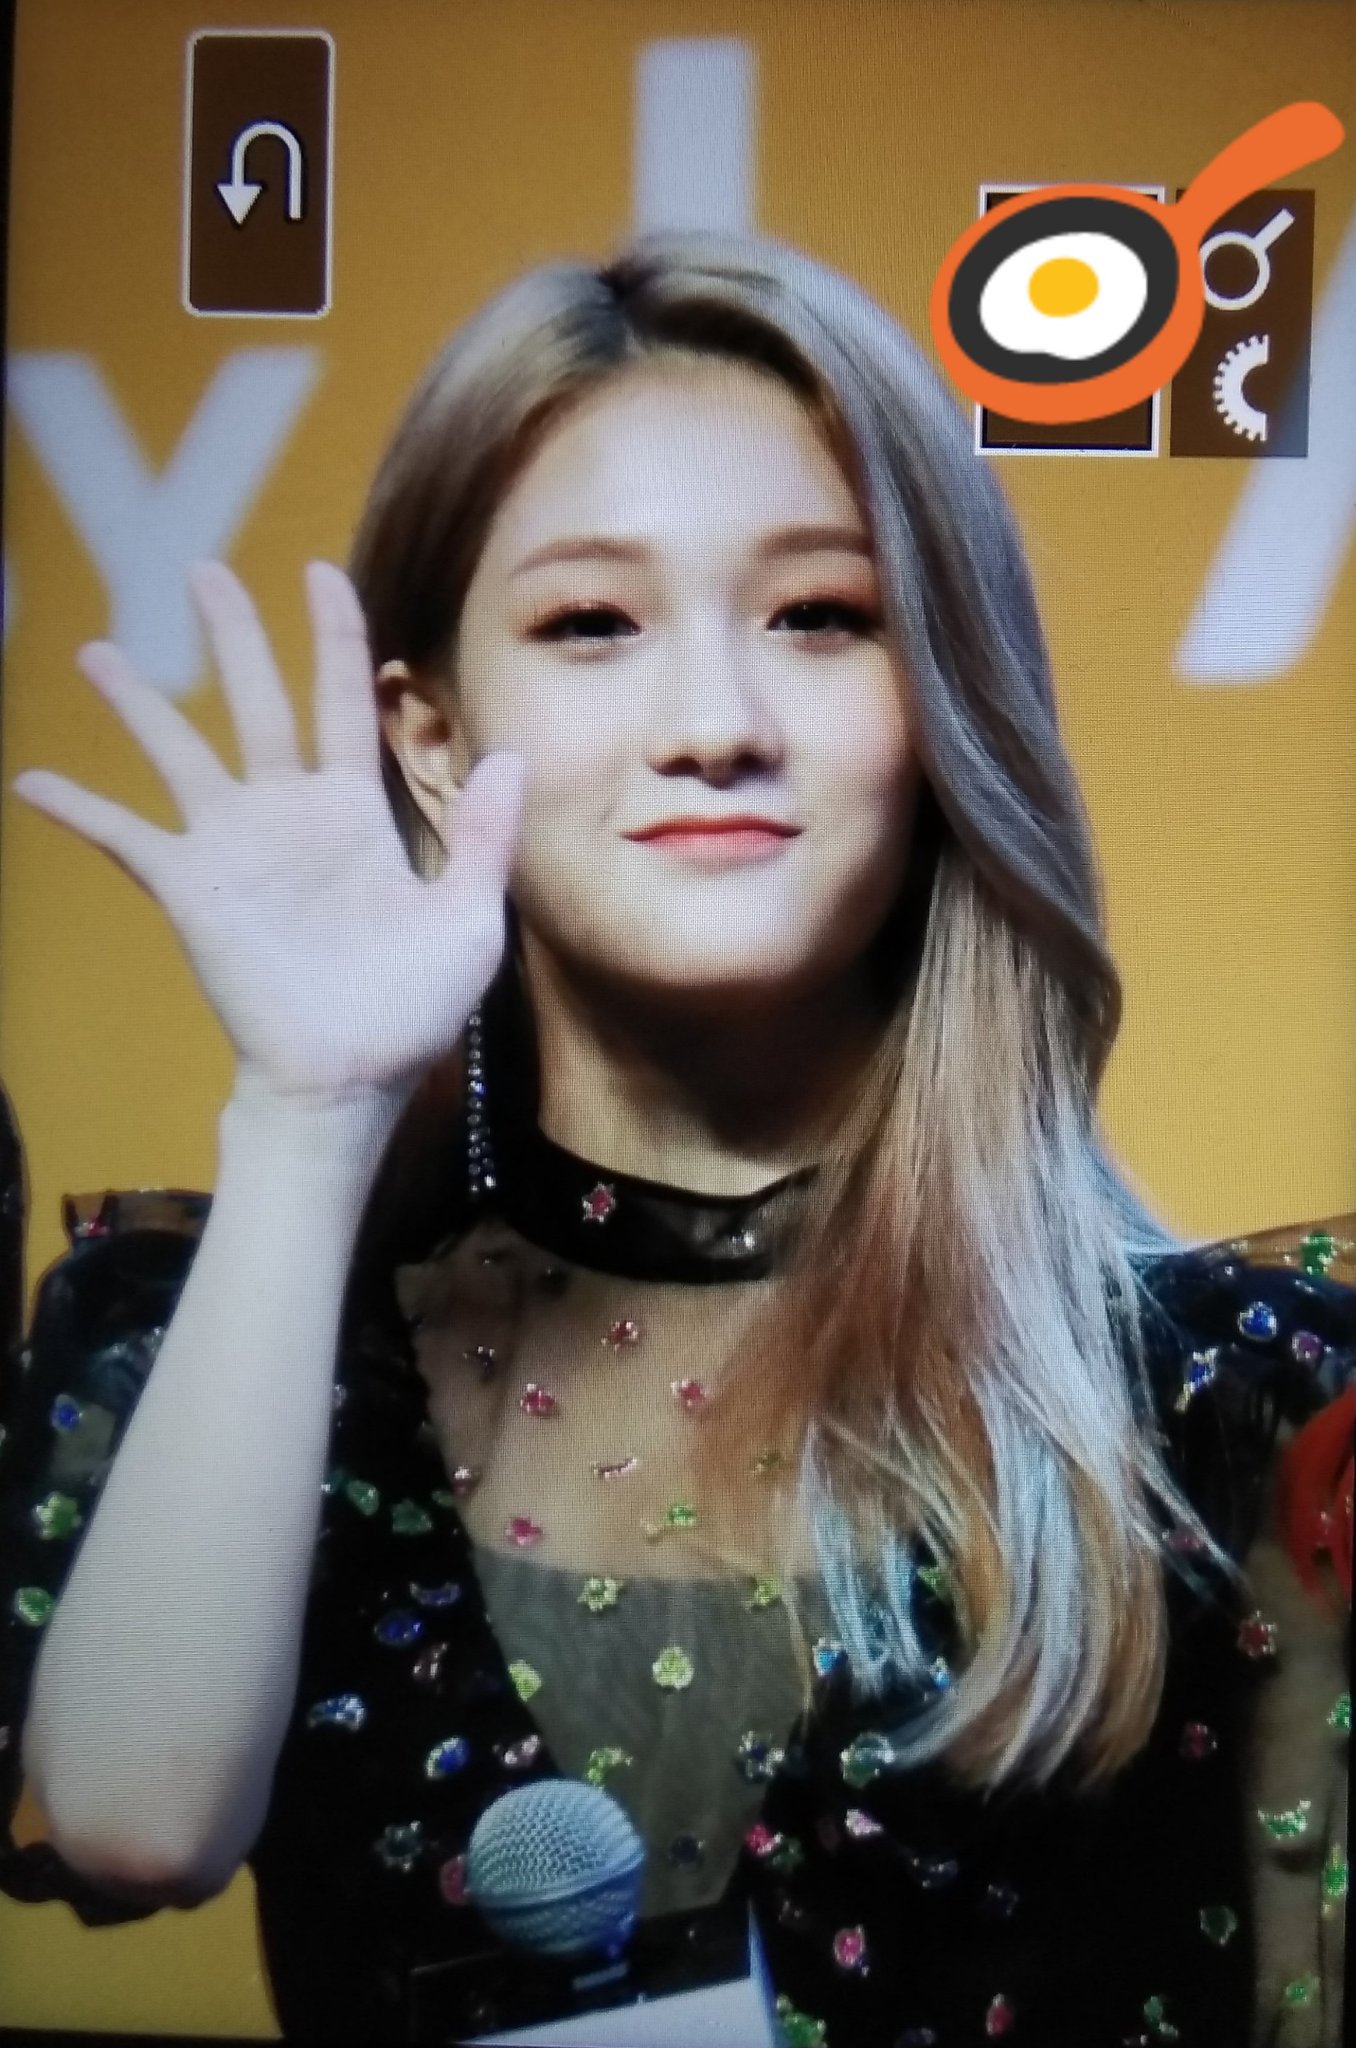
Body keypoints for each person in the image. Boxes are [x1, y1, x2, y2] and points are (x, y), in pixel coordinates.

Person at [1, 230, 1352, 2048]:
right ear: (430, 735)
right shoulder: (236, 1350)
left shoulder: (1251, 1404)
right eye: (592, 627)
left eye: (822, 616)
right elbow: (133, 1820)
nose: (714, 724)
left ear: (941, 696)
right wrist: (308, 1112)